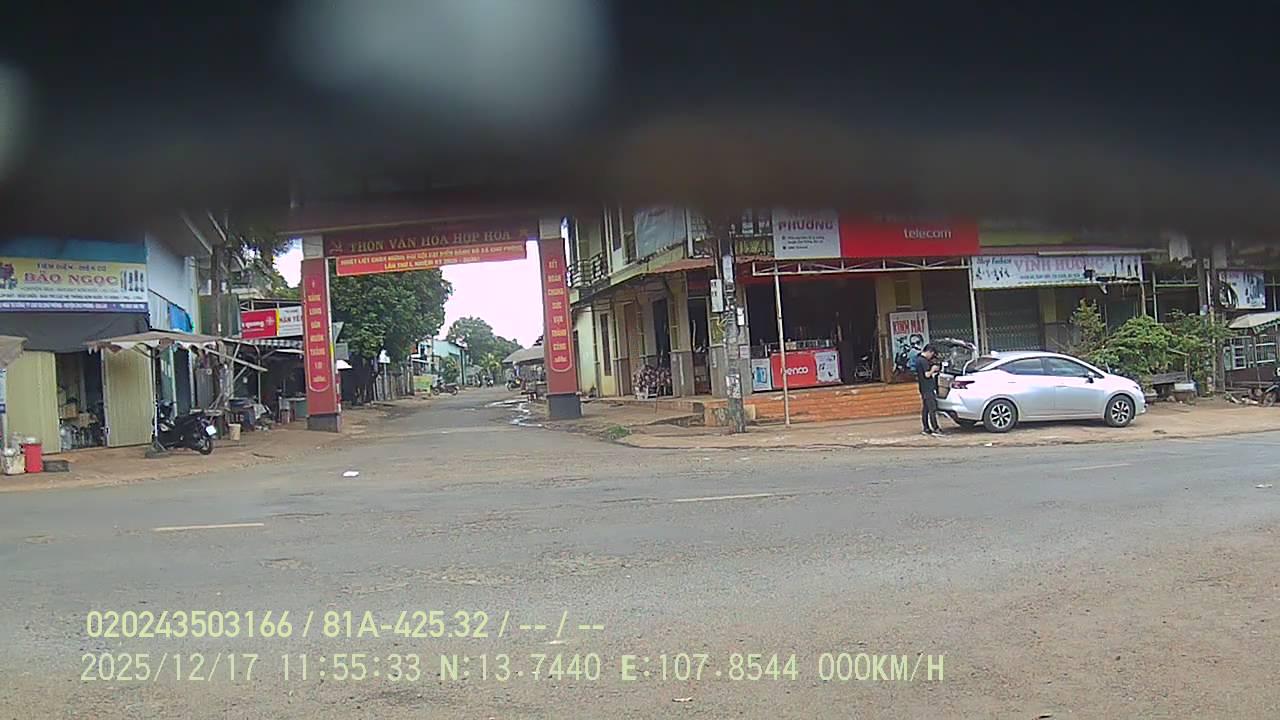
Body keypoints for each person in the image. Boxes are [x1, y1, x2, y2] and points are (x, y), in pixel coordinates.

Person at [912, 344, 943, 436]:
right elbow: (927, 374)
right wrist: (933, 369)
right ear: (929, 352)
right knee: (932, 408)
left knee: (925, 409)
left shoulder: (918, 360)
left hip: (923, 387)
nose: (931, 357)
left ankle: (926, 428)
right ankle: (936, 428)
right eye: (932, 354)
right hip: (928, 388)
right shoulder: (924, 361)